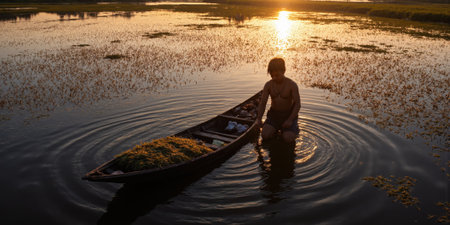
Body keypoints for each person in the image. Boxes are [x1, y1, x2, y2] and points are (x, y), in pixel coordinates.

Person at [257, 58, 301, 143]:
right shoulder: (268, 85)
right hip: (274, 116)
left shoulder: (292, 85)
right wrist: (259, 118)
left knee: (288, 139)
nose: (274, 78)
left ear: (283, 71)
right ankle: (276, 131)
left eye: (277, 75)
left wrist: (290, 120)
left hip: (288, 115)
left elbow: (297, 104)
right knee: (265, 135)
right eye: (272, 76)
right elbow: (263, 103)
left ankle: (293, 130)